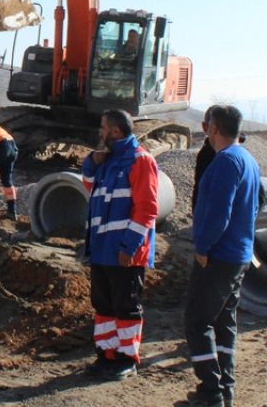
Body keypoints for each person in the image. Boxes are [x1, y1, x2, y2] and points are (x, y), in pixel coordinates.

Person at [184, 105, 261, 407]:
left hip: (219, 256)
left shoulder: (226, 161)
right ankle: (224, 390)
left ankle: (210, 393)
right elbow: (253, 206)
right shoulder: (247, 159)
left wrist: (203, 247)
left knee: (197, 321)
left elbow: (219, 213)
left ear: (214, 128)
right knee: (224, 321)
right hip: (238, 253)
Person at [80, 109, 158, 382]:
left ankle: (126, 359)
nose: (100, 133)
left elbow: (147, 209)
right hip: (102, 248)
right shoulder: (107, 161)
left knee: (126, 306)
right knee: (103, 305)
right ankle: (106, 355)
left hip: (125, 252)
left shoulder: (141, 160)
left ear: (114, 131)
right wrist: (91, 160)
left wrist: (130, 246)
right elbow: (88, 185)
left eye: (103, 127)